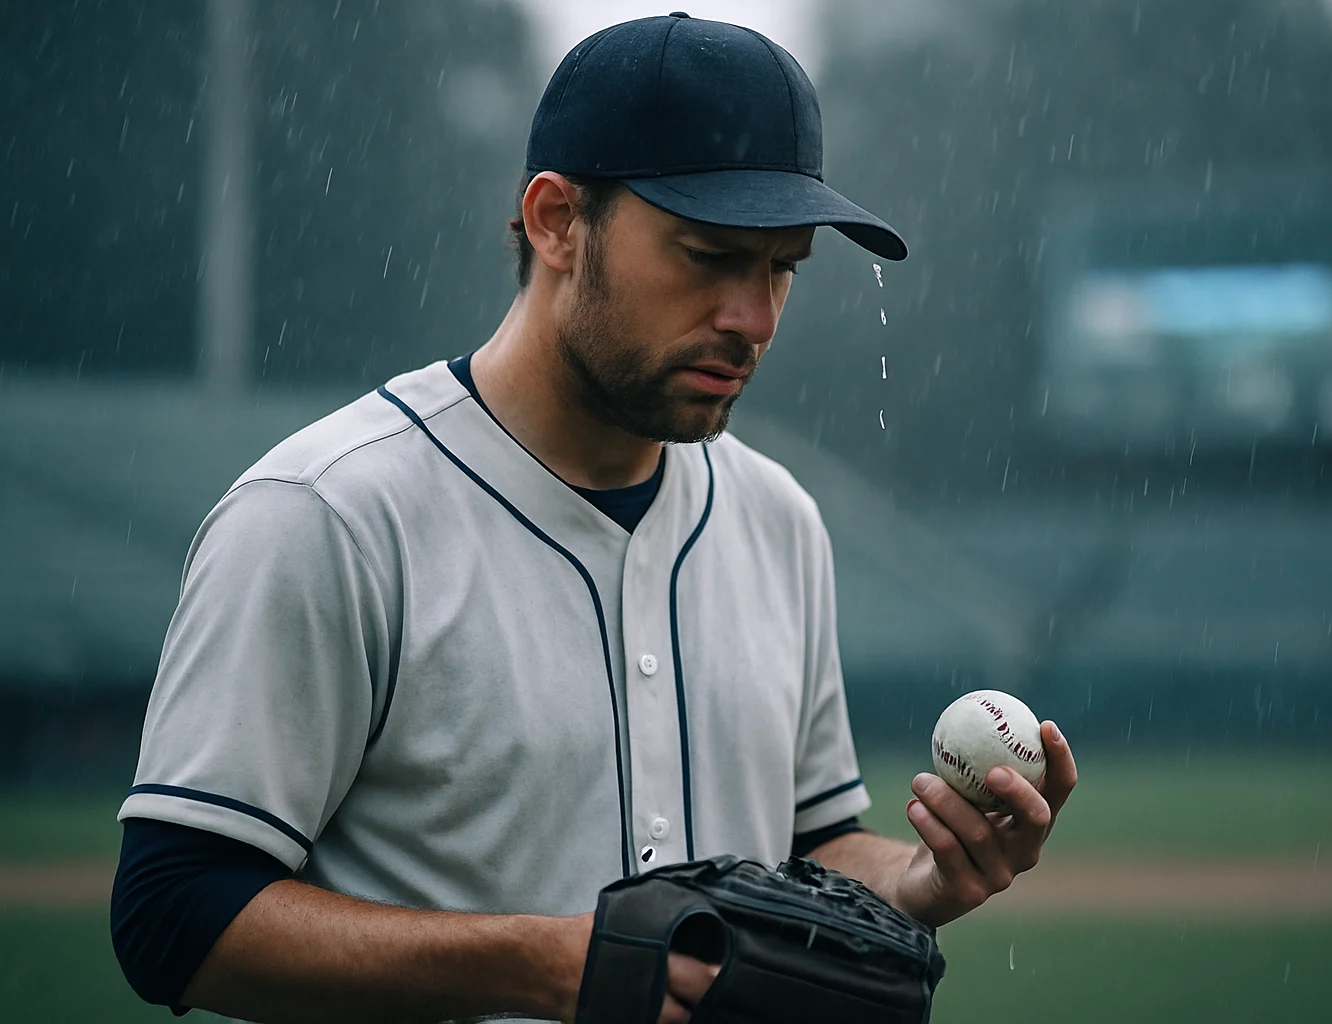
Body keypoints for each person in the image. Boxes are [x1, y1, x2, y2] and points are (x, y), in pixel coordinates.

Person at [110, 13, 1076, 1024]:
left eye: (783, 266)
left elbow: (812, 855)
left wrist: (919, 879)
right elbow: (174, 913)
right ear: (556, 220)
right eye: (709, 255)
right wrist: (541, 962)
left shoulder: (779, 520)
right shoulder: (327, 515)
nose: (754, 317)